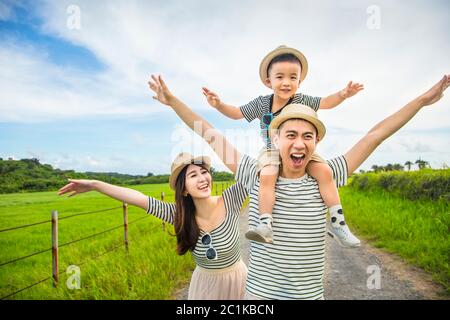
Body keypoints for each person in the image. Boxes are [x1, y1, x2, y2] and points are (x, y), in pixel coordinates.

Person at [148, 73, 449, 299]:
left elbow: (376, 134)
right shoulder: (256, 174)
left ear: (316, 143)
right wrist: (173, 101)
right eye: (290, 134)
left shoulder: (326, 175)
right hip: (260, 296)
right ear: (275, 140)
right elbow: (209, 133)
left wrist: (423, 100)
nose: (299, 142)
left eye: (308, 136)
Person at [202, 45, 364, 247]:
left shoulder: (302, 100)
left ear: (300, 81)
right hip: (272, 150)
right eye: (280, 77)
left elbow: (326, 102)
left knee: (324, 171)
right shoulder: (262, 104)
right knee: (267, 175)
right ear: (269, 81)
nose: (286, 82)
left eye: (293, 77)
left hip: (302, 149)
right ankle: (265, 223)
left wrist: (343, 94)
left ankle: (339, 223)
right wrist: (218, 105)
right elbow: (236, 113)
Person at [58, 152, 249, 300]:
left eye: (204, 172)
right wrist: (94, 184)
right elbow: (139, 199)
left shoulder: (230, 199)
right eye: (193, 175)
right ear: (183, 189)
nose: (202, 178)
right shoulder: (178, 215)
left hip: (238, 282)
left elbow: (256, 173)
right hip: (205, 287)